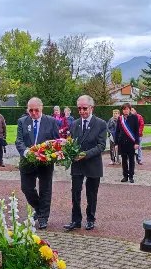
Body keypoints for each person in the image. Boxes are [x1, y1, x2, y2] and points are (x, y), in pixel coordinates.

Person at [15, 97, 60, 229]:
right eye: (30, 110)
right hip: (27, 161)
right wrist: (26, 152)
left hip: (45, 162)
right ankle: (40, 209)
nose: (33, 113)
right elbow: (19, 141)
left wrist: (50, 152)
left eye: (36, 110)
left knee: (45, 189)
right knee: (26, 188)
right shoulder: (22, 121)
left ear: (42, 108)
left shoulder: (51, 121)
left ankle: (43, 218)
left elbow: (56, 141)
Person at [64, 95, 107, 231]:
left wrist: (85, 154)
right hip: (77, 164)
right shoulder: (75, 123)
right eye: (79, 108)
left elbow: (101, 146)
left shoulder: (101, 124)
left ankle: (90, 219)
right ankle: (76, 220)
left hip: (93, 163)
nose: (81, 111)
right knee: (75, 192)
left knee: (91, 193)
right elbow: (71, 142)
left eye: (84, 108)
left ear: (91, 108)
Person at [115, 103, 140, 183]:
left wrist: (137, 142)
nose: (125, 110)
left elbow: (137, 131)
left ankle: (131, 176)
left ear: (129, 109)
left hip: (131, 143)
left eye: (127, 109)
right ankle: (125, 176)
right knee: (124, 160)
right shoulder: (120, 119)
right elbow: (117, 132)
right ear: (122, 110)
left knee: (131, 160)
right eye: (124, 109)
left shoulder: (134, 118)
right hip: (122, 143)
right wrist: (116, 144)